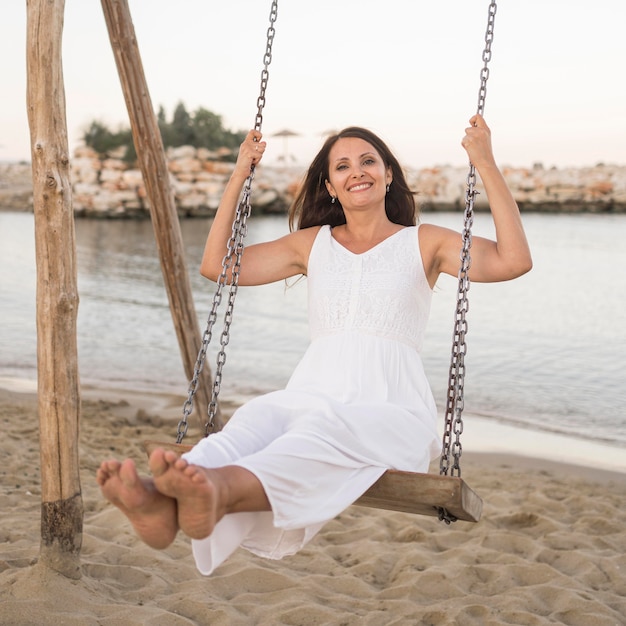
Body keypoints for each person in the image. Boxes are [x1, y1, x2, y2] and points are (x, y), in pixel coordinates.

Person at [97, 114, 532, 575]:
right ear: (329, 186)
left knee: (315, 433)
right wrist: (241, 172)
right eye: (342, 166)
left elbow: (513, 260)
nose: (357, 171)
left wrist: (484, 162)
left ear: (389, 176)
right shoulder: (312, 245)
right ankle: (161, 503)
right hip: (310, 394)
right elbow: (217, 266)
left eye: (368, 161)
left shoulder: (424, 243)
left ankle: (212, 492)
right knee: (257, 417)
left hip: (391, 410)